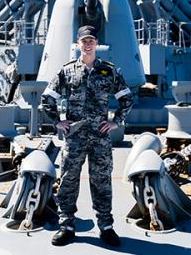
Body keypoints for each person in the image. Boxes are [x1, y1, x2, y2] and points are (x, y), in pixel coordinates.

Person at [40, 25, 134, 247]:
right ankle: (67, 225)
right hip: (74, 137)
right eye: (84, 40)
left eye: (91, 40)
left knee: (101, 182)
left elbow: (127, 99)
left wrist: (116, 121)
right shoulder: (67, 71)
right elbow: (47, 98)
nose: (88, 43)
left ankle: (106, 227)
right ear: (78, 43)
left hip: (100, 137)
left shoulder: (109, 71)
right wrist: (57, 121)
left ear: (96, 43)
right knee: (68, 181)